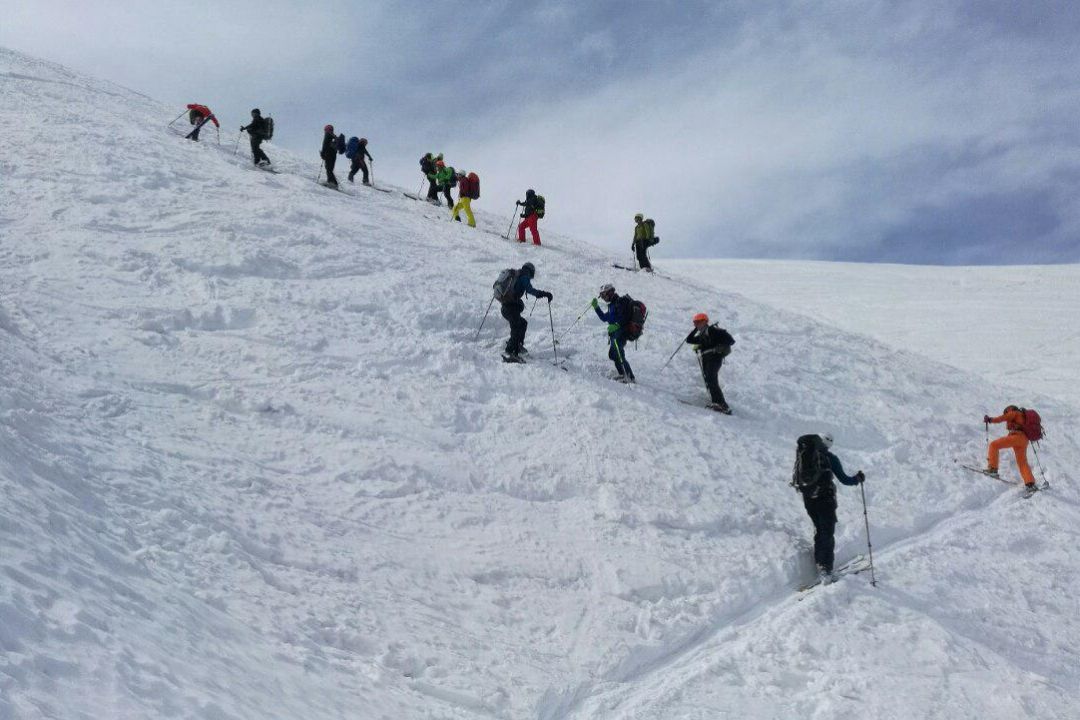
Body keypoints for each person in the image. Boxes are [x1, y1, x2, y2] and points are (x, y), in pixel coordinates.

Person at [791, 433, 865, 581]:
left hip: (809, 499)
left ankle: (820, 563)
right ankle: (826, 569)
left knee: (819, 529)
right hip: (825, 499)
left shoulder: (803, 457)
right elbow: (844, 479)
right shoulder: (830, 458)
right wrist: (857, 479)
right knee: (827, 532)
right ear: (829, 444)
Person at [498, 262, 552, 361]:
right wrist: (545, 294)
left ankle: (516, 345)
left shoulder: (515, 275)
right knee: (516, 327)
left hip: (505, 308)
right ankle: (511, 351)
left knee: (522, 323)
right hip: (511, 308)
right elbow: (530, 290)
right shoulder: (524, 277)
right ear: (530, 271)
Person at [684, 313, 734, 413]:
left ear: (705, 321)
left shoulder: (713, 330)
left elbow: (731, 340)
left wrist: (719, 347)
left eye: (698, 322)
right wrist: (695, 329)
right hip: (706, 358)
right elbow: (689, 340)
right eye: (695, 322)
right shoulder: (702, 335)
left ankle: (722, 404)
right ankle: (716, 402)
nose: (696, 324)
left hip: (714, 357)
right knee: (709, 379)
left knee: (711, 377)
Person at [983, 406, 1037, 490]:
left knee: (994, 445)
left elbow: (1003, 418)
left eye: (1006, 412)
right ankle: (1030, 483)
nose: (1006, 414)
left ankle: (992, 469)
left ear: (1009, 409)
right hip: (1024, 440)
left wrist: (990, 419)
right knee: (1022, 462)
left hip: (1016, 437)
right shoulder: (1022, 416)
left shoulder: (1014, 413)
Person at [591, 284, 635, 383]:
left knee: (619, 354)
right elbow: (604, 318)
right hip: (614, 334)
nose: (603, 298)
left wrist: (616, 325)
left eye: (604, 295)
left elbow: (625, 318)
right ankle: (623, 374)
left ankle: (629, 377)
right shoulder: (611, 305)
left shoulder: (620, 302)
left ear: (610, 292)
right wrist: (596, 307)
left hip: (621, 333)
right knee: (613, 354)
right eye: (601, 296)